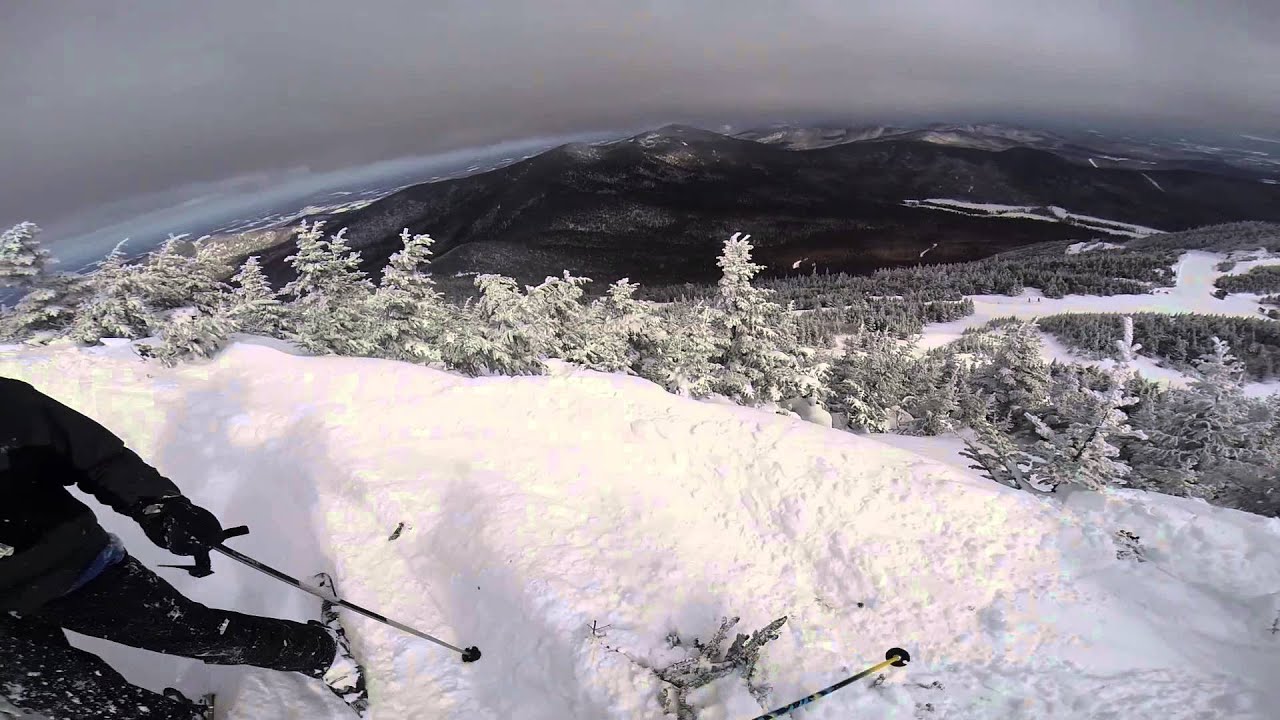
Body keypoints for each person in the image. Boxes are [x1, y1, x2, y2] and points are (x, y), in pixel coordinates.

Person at [0, 377, 365, 719]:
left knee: (193, 633)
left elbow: (95, 456)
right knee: (65, 696)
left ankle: (319, 651)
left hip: (68, 569)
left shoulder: (7, 403)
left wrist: (158, 505)